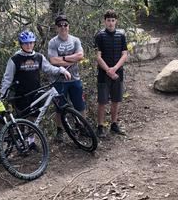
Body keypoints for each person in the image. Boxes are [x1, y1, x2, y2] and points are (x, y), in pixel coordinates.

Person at [0, 31, 71, 118]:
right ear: (21, 44)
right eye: (25, 43)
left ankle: (34, 132)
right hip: (21, 95)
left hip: (36, 93)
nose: (28, 45)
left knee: (35, 119)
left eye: (31, 42)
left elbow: (48, 68)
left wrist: (61, 70)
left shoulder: (39, 57)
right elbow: (7, 78)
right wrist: (2, 95)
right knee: (22, 120)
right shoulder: (15, 59)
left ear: (34, 43)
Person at [47, 15, 86, 142]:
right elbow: (53, 60)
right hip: (58, 80)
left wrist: (62, 59)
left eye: (65, 24)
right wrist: (70, 58)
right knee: (60, 108)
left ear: (69, 26)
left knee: (80, 105)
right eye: (60, 25)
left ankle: (81, 127)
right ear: (56, 27)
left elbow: (80, 56)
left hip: (74, 79)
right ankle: (60, 131)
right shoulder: (53, 42)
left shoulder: (75, 40)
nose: (63, 27)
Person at [94, 9, 128, 137]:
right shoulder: (99, 36)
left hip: (118, 73)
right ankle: (100, 126)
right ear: (105, 21)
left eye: (113, 20)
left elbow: (124, 55)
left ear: (116, 21)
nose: (111, 23)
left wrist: (115, 69)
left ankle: (114, 124)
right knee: (102, 101)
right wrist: (108, 70)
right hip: (103, 74)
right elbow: (98, 56)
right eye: (108, 20)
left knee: (116, 100)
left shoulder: (121, 35)